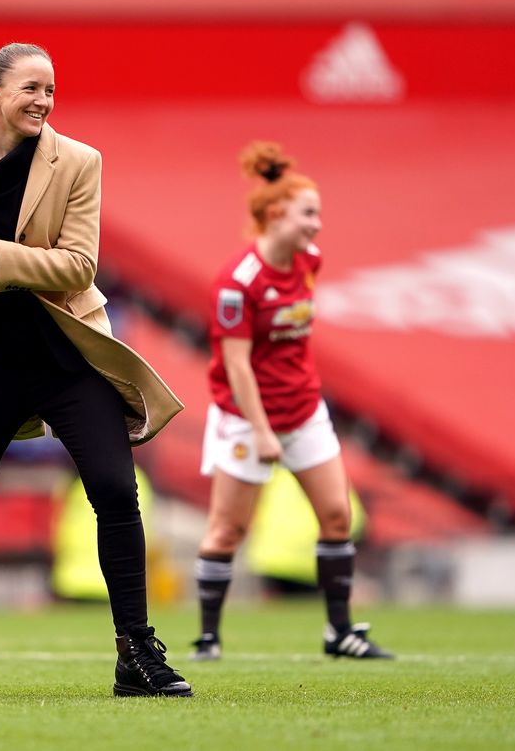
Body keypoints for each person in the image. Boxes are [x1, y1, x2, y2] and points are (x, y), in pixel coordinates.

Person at [0, 42, 192, 698]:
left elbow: (78, 266)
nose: (42, 100)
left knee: (117, 493)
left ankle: (136, 654)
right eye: (31, 87)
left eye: (51, 90)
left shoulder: (81, 162)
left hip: (69, 360)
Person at [191, 141, 393, 662]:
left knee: (336, 516)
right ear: (276, 214)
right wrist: (260, 431)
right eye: (309, 213)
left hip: (303, 411)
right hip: (246, 418)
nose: (317, 225)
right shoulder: (237, 284)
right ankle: (208, 638)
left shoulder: (309, 261)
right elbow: (236, 365)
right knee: (228, 529)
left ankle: (340, 632)